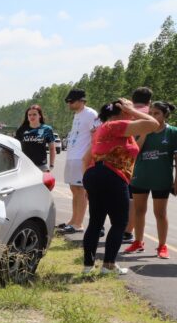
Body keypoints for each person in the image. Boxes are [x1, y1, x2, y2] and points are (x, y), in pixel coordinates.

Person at [80, 98, 161, 274]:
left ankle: (88, 266)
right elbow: (154, 124)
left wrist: (88, 185)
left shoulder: (103, 129)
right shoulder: (116, 125)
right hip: (112, 176)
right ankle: (108, 265)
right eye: (129, 108)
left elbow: (86, 159)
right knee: (119, 223)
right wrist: (131, 110)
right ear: (123, 111)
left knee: (95, 222)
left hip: (95, 175)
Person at [124, 101, 177, 259]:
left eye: (157, 113)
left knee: (160, 213)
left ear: (165, 115)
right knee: (139, 211)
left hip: (162, 178)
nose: (153, 116)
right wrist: (145, 133)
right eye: (151, 113)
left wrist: (176, 181)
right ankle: (138, 241)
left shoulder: (172, 132)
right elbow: (134, 152)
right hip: (140, 177)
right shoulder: (140, 129)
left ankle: (162, 246)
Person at [59, 89, 100, 234]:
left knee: (81, 190)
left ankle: (78, 223)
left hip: (81, 157)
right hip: (72, 156)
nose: (69, 104)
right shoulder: (77, 115)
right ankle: (73, 220)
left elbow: (96, 136)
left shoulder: (91, 114)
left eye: (71, 101)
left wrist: (88, 156)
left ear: (81, 100)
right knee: (74, 190)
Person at [122, 87, 154, 243]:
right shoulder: (152, 113)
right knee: (136, 201)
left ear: (132, 99)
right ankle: (129, 231)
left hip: (127, 159)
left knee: (128, 198)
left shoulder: (128, 112)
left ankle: (125, 230)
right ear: (150, 100)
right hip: (149, 159)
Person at [14, 104, 56, 171]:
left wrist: (51, 165)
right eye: (29, 115)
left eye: (34, 114)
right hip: (25, 166)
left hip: (41, 167)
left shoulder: (47, 129)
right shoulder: (21, 129)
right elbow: (15, 147)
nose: (31, 116)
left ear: (39, 115)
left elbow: (52, 148)